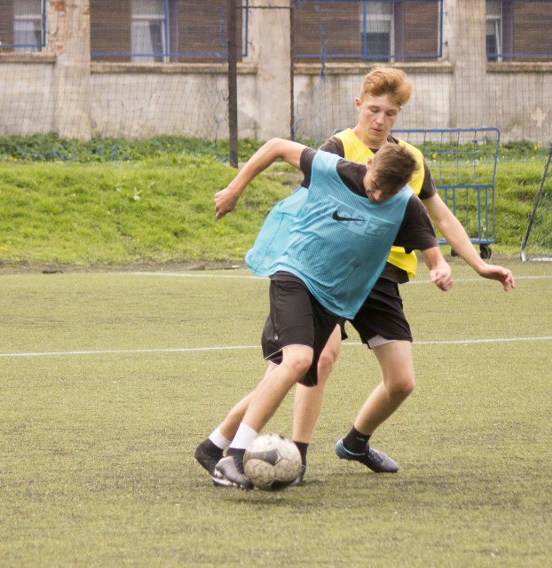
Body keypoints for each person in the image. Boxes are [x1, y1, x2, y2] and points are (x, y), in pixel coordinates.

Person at [195, 68, 515, 486]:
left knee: (400, 380)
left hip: (378, 279)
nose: (380, 120)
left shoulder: (409, 165)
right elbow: (303, 205)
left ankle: (354, 442)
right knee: (310, 361)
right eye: (375, 109)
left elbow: (436, 220)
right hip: (322, 273)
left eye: (391, 114)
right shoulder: (337, 153)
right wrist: (238, 191)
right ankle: (293, 457)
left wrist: (471, 263)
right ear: (360, 104)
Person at [197, 136, 452, 489]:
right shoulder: (332, 168)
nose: (378, 197)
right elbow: (274, 146)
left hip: (332, 300)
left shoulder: (405, 204)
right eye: (375, 186)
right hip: (294, 274)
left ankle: (213, 446)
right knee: (298, 361)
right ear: (369, 166)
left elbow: (431, 250)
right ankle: (234, 459)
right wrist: (235, 188)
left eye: (388, 193)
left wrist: (439, 269)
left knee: (286, 372)